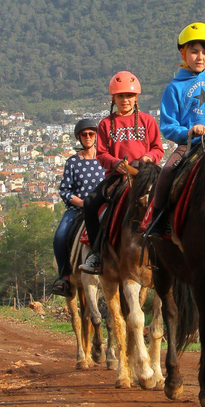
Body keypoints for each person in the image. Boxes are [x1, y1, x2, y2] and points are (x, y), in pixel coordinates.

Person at [146, 22, 205, 239]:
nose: (200, 57)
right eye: (194, 51)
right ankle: (158, 222)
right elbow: (168, 126)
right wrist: (189, 131)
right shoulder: (174, 88)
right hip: (191, 144)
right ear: (183, 53)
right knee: (168, 172)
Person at [80, 71, 164, 274]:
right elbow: (101, 154)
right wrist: (116, 163)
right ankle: (96, 254)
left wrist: (149, 158)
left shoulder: (147, 121)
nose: (125, 100)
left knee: (168, 197)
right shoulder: (106, 124)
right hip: (118, 176)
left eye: (129, 96)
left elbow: (158, 149)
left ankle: (169, 246)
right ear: (113, 98)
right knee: (91, 203)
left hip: (144, 174)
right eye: (120, 96)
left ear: (136, 98)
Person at [51, 119, 106, 297]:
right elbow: (65, 190)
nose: (88, 137)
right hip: (79, 208)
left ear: (96, 136)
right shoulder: (73, 162)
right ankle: (65, 278)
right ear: (79, 137)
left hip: (103, 207)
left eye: (91, 133)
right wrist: (82, 202)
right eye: (85, 134)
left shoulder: (105, 159)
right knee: (59, 237)